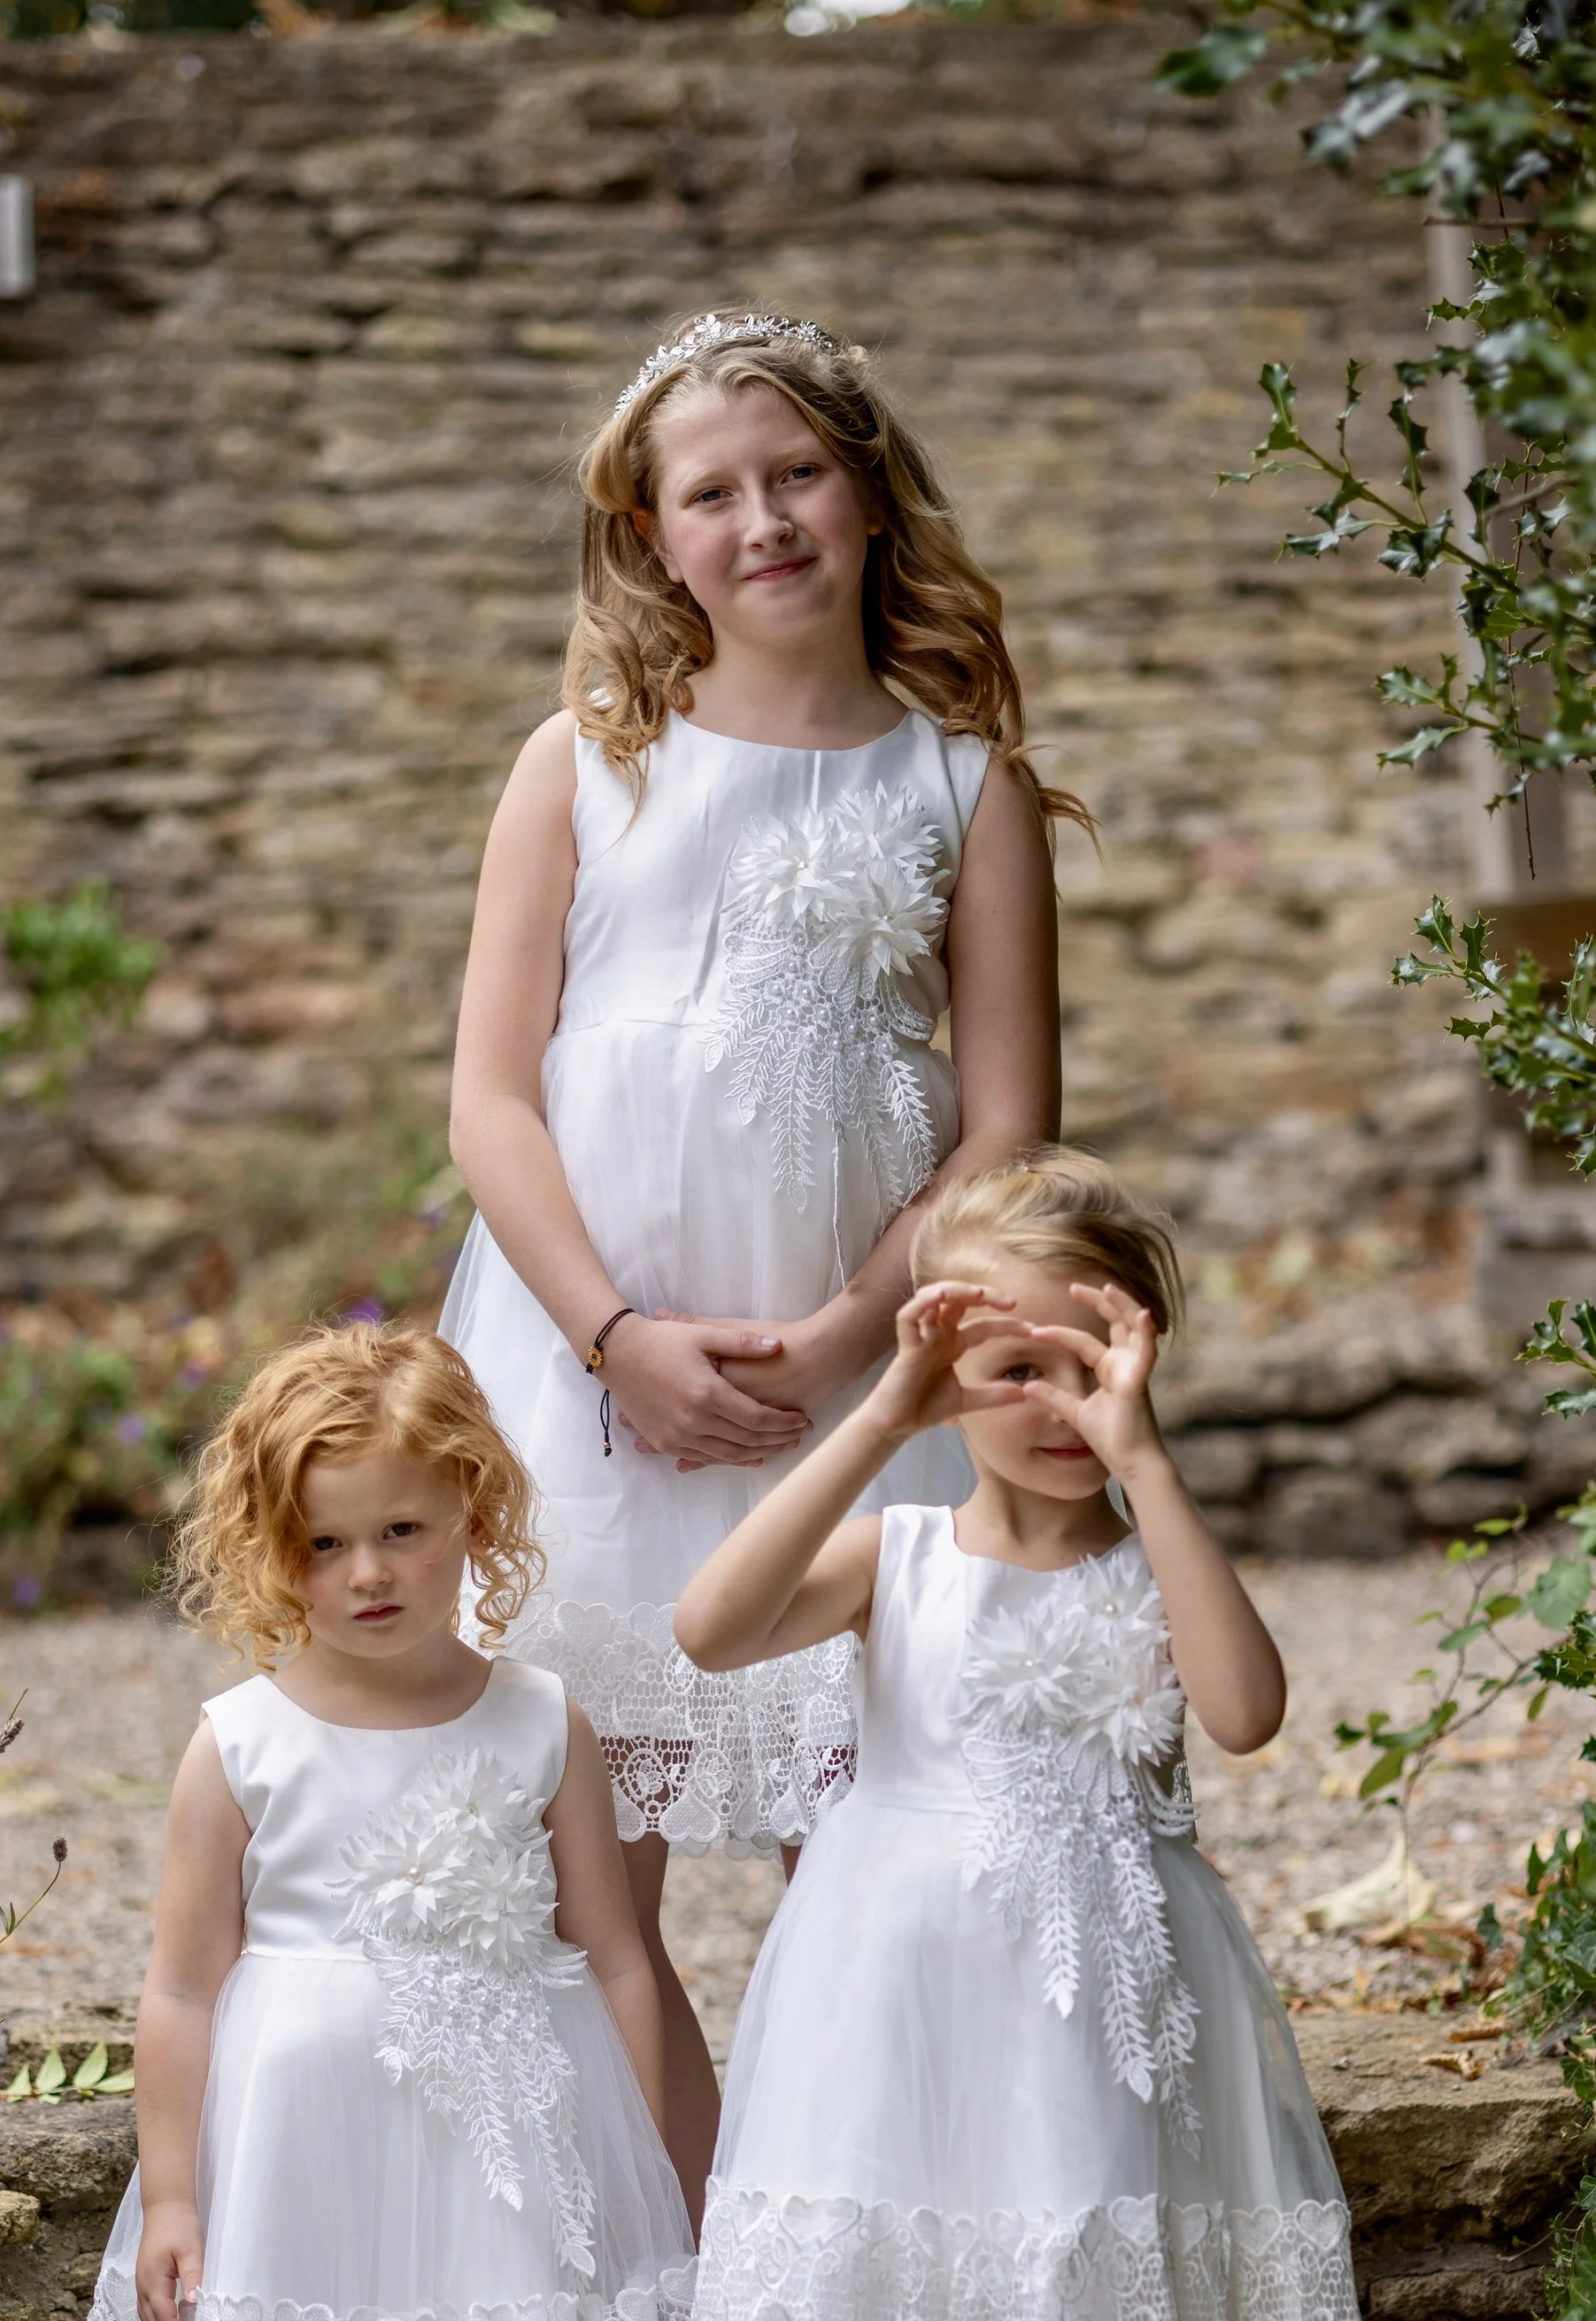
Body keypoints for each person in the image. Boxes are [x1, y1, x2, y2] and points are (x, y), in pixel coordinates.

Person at [654, 1148, 1375, 2321]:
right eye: (1008, 1371)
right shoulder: (889, 1558)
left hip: (1083, 2060)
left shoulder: (1150, 1564)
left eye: (1089, 1363)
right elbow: (706, 1625)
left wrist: (1144, 1456)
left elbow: (1244, 1708)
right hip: (894, 2043)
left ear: (1140, 1359)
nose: (1049, 1406)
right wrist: (880, 1399)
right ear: (945, 1380)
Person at [442, 307, 1072, 2224]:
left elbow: (1003, 1129)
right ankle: (672, 2315)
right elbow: (488, 1097)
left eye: (795, 472)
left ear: (870, 492)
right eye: (708, 491)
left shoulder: (962, 786)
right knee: (582, 1867)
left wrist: (839, 1341)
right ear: (649, 534)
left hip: (865, 1378)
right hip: (589, 1374)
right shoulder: (579, 764)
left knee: (856, 1842)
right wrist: (610, 1336)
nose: (761, 518)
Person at [50, 1321, 737, 2321]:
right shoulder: (241, 1744)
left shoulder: (542, 1722)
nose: (366, 1572)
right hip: (314, 2172)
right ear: (268, 1548)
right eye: (325, 1541)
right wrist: (171, 2192)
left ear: (476, 1517)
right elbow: (182, 1990)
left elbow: (620, 1956)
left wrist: (639, 2167)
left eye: (402, 1532)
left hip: (503, 2158)